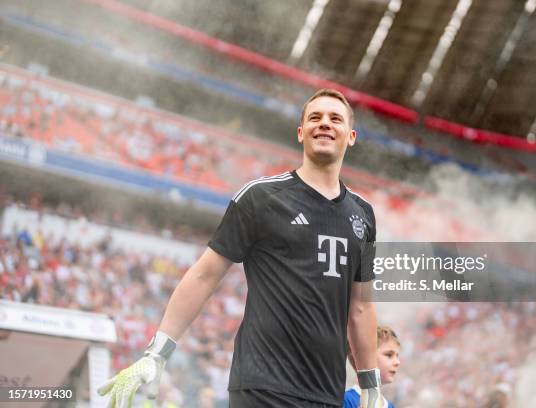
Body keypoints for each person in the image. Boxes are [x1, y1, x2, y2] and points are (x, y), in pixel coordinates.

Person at [98, 89, 384, 408]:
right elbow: (204, 275)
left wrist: (370, 383)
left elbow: (361, 307)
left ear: (351, 136)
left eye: (335, 119)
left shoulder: (364, 215)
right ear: (301, 133)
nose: (325, 124)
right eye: (315, 118)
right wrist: (157, 352)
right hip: (262, 387)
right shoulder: (260, 197)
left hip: (326, 392)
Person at [344, 326, 401, 408]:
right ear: (365, 357)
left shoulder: (390, 406)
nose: (397, 362)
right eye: (389, 355)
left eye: (397, 356)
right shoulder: (346, 400)